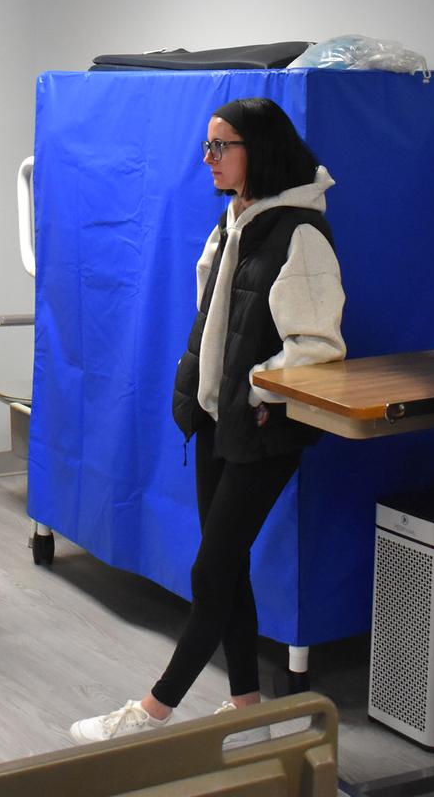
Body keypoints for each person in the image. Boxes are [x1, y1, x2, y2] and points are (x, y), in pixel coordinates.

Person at [70, 97, 345, 742]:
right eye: (208, 147)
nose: (210, 159)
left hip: (263, 427)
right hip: (220, 422)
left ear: (261, 149)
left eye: (223, 146)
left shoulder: (299, 235)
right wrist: (203, 392)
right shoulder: (235, 221)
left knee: (211, 570)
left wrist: (256, 393)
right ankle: (247, 705)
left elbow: (319, 348)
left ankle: (154, 711)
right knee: (230, 566)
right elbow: (212, 319)